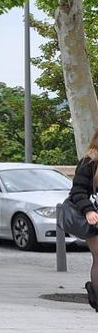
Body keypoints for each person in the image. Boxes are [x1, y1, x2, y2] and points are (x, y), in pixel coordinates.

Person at [68, 127, 98, 312]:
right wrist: (87, 210)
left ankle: (93, 293)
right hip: (95, 218)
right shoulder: (89, 162)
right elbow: (77, 191)